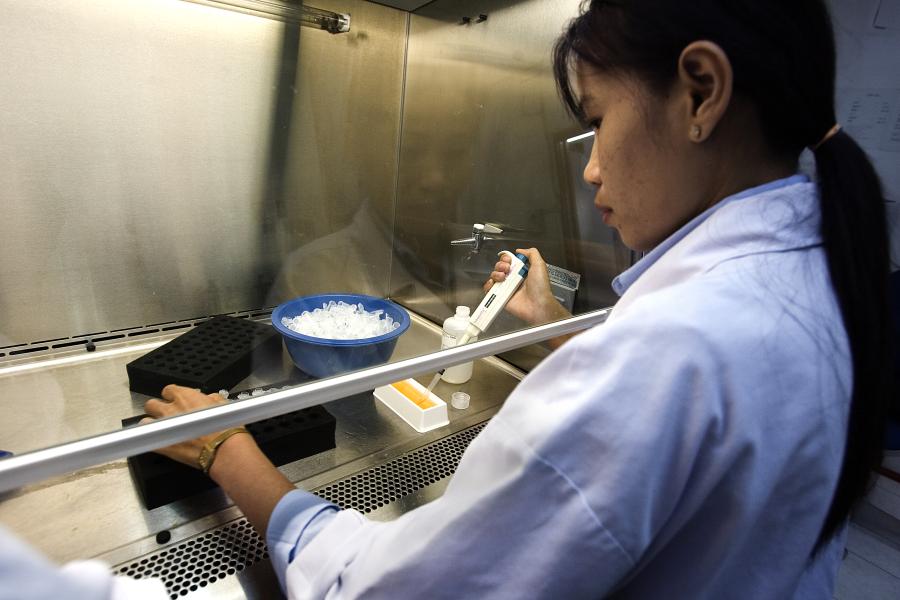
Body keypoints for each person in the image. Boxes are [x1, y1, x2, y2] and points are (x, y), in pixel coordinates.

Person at [142, 0, 893, 598]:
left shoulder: (675, 345)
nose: (592, 169)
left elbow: (387, 588)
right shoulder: (815, 277)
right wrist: (558, 326)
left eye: (598, 120)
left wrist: (228, 450)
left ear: (701, 91)